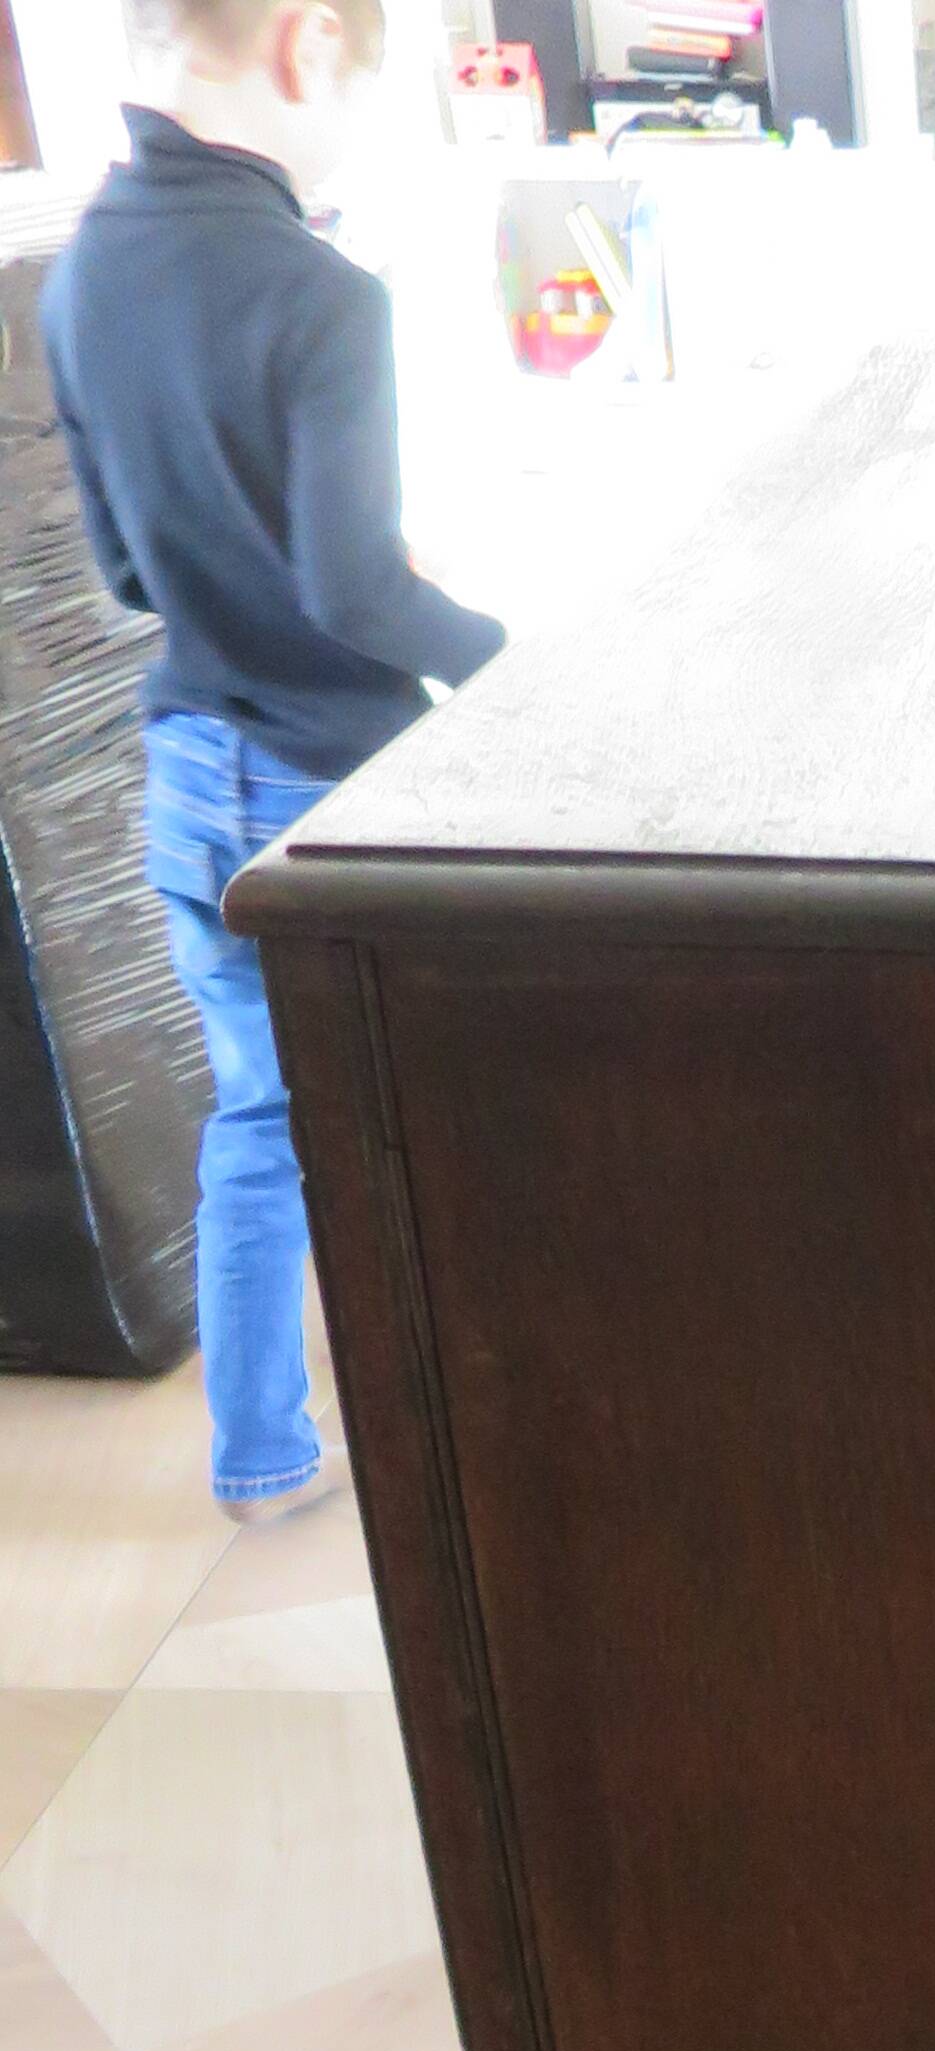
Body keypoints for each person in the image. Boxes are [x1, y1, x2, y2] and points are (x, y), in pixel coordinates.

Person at [42, 0, 504, 1522]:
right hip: (338, 788)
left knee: (262, 1122)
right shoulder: (318, 293)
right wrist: (513, 652)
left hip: (187, 772)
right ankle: (493, 1417)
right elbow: (358, 598)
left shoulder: (83, 267)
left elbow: (122, 574)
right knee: (449, 1114)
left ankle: (260, 1455)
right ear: (309, 47)